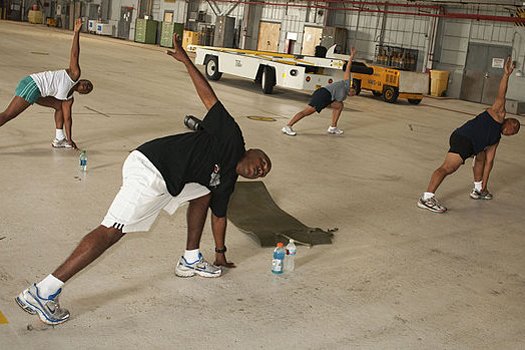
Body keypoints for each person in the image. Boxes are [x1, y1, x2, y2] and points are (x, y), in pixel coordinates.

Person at [15, 33, 272, 325]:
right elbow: (208, 96)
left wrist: (220, 252)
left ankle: (190, 259)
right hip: (151, 168)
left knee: (203, 192)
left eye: (262, 173)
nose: (259, 169)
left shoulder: (225, 181)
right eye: (262, 162)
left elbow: (219, 217)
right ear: (251, 151)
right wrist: (186, 59)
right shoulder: (231, 137)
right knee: (111, 231)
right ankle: (44, 291)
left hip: (168, 179)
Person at [418, 56, 520, 213]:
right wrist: (506, 75)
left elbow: (489, 163)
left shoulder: (495, 140)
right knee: (448, 168)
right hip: (464, 138)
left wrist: (485, 186)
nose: (511, 130)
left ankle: (478, 189)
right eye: (512, 126)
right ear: (507, 120)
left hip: (471, 144)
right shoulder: (497, 114)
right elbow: (502, 93)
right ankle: (426, 198)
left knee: (481, 157)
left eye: (514, 132)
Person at [0, 18, 93, 149]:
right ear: (82, 80)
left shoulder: (68, 100)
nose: (86, 86)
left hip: (38, 92)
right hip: (32, 84)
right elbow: (74, 55)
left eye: (88, 89)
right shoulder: (74, 74)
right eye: (87, 83)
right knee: (8, 115)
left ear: (82, 93)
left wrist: (70, 139)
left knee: (59, 107)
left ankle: (60, 139)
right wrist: (76, 33)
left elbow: (68, 119)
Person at [281, 47, 357, 136]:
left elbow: (335, 101)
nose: (352, 94)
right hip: (323, 94)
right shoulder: (346, 83)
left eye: (354, 94)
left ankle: (333, 127)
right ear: (351, 88)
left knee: (339, 105)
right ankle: (288, 126)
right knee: (307, 112)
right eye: (353, 92)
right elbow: (348, 68)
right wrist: (351, 57)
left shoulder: (344, 96)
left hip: (328, 98)